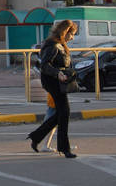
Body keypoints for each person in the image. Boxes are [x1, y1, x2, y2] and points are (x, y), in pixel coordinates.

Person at [27, 19, 78, 159]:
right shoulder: (53, 45)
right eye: (72, 34)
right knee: (65, 112)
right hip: (53, 82)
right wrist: (58, 73)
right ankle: (64, 149)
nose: (72, 37)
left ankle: (36, 137)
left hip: (58, 81)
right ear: (65, 32)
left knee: (61, 113)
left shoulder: (60, 44)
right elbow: (45, 65)